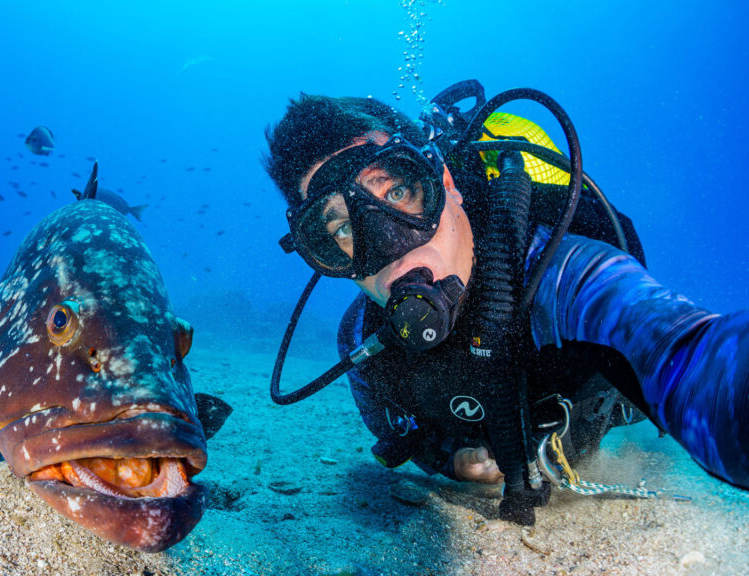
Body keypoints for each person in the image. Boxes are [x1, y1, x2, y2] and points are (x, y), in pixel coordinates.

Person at [263, 81, 749, 524]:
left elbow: (685, 350)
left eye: (398, 190)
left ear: (445, 184)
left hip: (597, 412)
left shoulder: (561, 274)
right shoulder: (361, 342)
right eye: (343, 228)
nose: (394, 245)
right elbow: (399, 436)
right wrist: (450, 462)